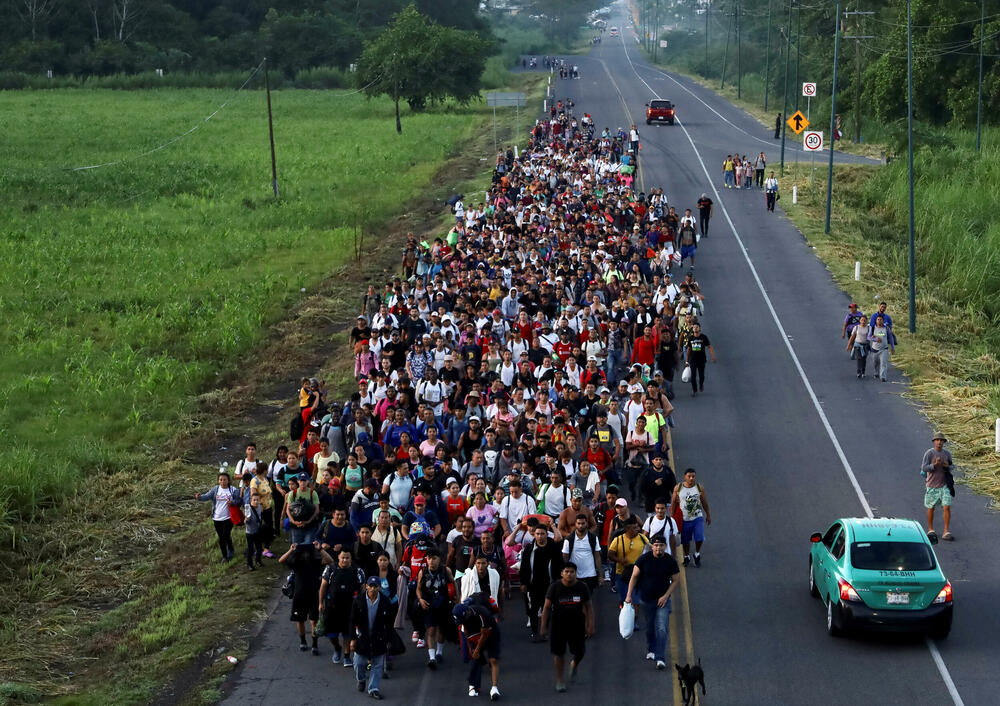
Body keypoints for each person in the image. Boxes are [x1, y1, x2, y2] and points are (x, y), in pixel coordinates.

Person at [624, 533, 680, 670]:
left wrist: (666, 595)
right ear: (652, 546)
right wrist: (629, 595)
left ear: (665, 546)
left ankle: (660, 657)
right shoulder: (644, 559)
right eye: (656, 545)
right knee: (650, 627)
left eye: (661, 545)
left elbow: (676, 580)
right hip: (647, 599)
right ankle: (651, 648)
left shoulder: (670, 561)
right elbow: (634, 576)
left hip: (663, 601)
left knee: (661, 628)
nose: (658, 548)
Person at [540, 563, 595, 693]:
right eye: (567, 571)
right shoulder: (554, 587)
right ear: (562, 573)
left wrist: (590, 625)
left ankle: (574, 664)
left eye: (572, 572)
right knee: (559, 654)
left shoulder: (582, 587)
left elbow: (589, 607)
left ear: (576, 573)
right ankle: (560, 680)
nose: (569, 574)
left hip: (577, 625)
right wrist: (543, 627)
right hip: (558, 625)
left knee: (580, 652)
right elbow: (547, 608)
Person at [280, 542, 333, 654]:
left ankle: (314, 644)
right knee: (300, 620)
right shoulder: (296, 562)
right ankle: (303, 641)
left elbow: (329, 560)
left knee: (314, 621)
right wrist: (291, 550)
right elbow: (281, 560)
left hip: (313, 595)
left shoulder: (315, 562)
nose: (305, 554)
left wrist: (320, 549)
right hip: (299, 595)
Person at [349, 576, 393, 700]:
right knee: (359, 663)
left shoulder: (385, 601)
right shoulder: (359, 600)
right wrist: (352, 638)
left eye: (376, 586)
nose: (373, 589)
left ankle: (373, 688)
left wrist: (389, 639)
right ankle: (361, 679)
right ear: (366, 586)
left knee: (378, 664)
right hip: (362, 637)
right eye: (371, 586)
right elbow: (352, 621)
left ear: (379, 588)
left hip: (378, 637)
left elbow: (389, 623)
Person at [320, 548, 366, 666]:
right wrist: (320, 603)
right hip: (332, 607)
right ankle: (337, 648)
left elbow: (363, 588)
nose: (345, 560)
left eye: (347, 558)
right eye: (342, 558)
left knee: (347, 633)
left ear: (351, 559)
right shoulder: (330, 569)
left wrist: (361, 605)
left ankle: (346, 656)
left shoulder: (357, 570)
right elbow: (323, 586)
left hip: (350, 607)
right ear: (338, 558)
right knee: (331, 634)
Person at [519, 522, 564, 640]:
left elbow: (560, 565)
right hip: (533, 584)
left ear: (547, 535)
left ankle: (544, 630)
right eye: (537, 534)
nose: (540, 536)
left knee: (547, 608)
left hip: (550, 584)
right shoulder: (529, 548)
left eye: (542, 534)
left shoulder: (554, 548)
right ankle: (535, 632)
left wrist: (559, 582)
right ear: (534, 535)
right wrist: (523, 582)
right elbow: (524, 567)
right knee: (533, 609)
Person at [415, 549, 455, 668]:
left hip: (443, 604)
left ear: (439, 559)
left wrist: (456, 599)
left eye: (434, 558)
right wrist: (420, 599)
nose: (431, 561)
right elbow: (418, 588)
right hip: (428, 604)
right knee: (431, 630)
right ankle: (432, 658)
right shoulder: (422, 572)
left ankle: (439, 652)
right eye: (429, 558)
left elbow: (454, 584)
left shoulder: (445, 570)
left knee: (442, 630)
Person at [453, 602, 502, 700]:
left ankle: (494, 688)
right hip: (475, 632)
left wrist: (477, 650)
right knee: (475, 658)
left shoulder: (482, 614)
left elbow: (484, 635)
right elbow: (466, 632)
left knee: (493, 660)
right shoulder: (464, 618)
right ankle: (473, 685)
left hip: (490, 632)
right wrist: (470, 647)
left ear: (467, 613)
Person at [195, 471, 240, 561]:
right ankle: (227, 552)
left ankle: (227, 553)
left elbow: (239, 501)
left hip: (228, 517)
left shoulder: (233, 490)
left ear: (228, 480)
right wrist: (199, 497)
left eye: (224, 479)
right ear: (218, 481)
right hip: (217, 518)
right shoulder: (216, 489)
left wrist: (233, 502)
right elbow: (207, 496)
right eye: (221, 480)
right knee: (222, 537)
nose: (223, 481)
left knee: (224, 536)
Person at [670, 469, 711, 567]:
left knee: (699, 537)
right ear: (685, 477)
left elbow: (704, 502)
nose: (691, 478)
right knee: (685, 541)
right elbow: (674, 502)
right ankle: (687, 556)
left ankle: (697, 554)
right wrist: (672, 516)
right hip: (684, 519)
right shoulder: (678, 488)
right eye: (689, 476)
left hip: (697, 517)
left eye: (693, 476)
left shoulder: (699, 488)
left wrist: (708, 514)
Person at [922, 433, 955, 541]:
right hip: (932, 485)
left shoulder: (947, 454)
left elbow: (952, 466)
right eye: (937, 440)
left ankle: (946, 531)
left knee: (947, 506)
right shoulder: (929, 453)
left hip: (944, 485)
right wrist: (934, 465)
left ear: (944, 442)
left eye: (941, 440)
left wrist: (947, 466)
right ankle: (931, 529)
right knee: (931, 507)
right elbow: (924, 468)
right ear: (934, 441)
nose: (939, 442)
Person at [607, 516, 649, 598]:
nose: (638, 529)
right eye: (634, 527)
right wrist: (620, 560)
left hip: (638, 573)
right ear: (627, 529)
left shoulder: (642, 537)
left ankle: (634, 609)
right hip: (622, 574)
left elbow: (650, 549)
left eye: (637, 526)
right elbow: (610, 554)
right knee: (624, 599)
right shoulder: (618, 540)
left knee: (636, 599)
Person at [561, 514, 602, 591]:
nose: (580, 526)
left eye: (583, 523)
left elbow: (597, 556)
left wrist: (600, 575)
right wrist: (565, 574)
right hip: (574, 576)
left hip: (590, 574)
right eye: (578, 523)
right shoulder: (569, 539)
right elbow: (565, 557)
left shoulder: (593, 538)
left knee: (588, 598)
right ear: (575, 524)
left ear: (587, 524)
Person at [685, 323, 716, 397]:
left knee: (701, 375)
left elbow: (709, 347)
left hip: (702, 360)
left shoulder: (703, 337)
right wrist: (687, 360)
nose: (695, 328)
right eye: (694, 327)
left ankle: (701, 384)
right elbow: (689, 349)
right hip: (693, 360)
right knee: (693, 376)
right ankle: (694, 390)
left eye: (697, 327)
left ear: (700, 329)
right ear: (692, 329)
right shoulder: (691, 338)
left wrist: (713, 356)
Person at [846, 315, 871, 379]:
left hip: (865, 346)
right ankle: (858, 372)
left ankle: (863, 372)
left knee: (864, 359)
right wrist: (849, 345)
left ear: (866, 321)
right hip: (858, 345)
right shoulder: (856, 327)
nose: (863, 321)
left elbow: (872, 336)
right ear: (860, 321)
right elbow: (852, 337)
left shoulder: (868, 328)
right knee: (859, 358)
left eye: (864, 320)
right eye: (862, 320)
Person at [870, 313, 891, 382]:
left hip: (884, 349)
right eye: (878, 319)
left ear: (883, 321)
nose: (879, 321)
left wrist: (893, 348)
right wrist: (875, 339)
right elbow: (868, 337)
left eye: (881, 320)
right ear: (876, 320)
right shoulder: (873, 328)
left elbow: (891, 338)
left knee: (883, 363)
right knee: (875, 363)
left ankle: (883, 377)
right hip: (875, 349)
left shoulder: (886, 328)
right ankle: (876, 372)